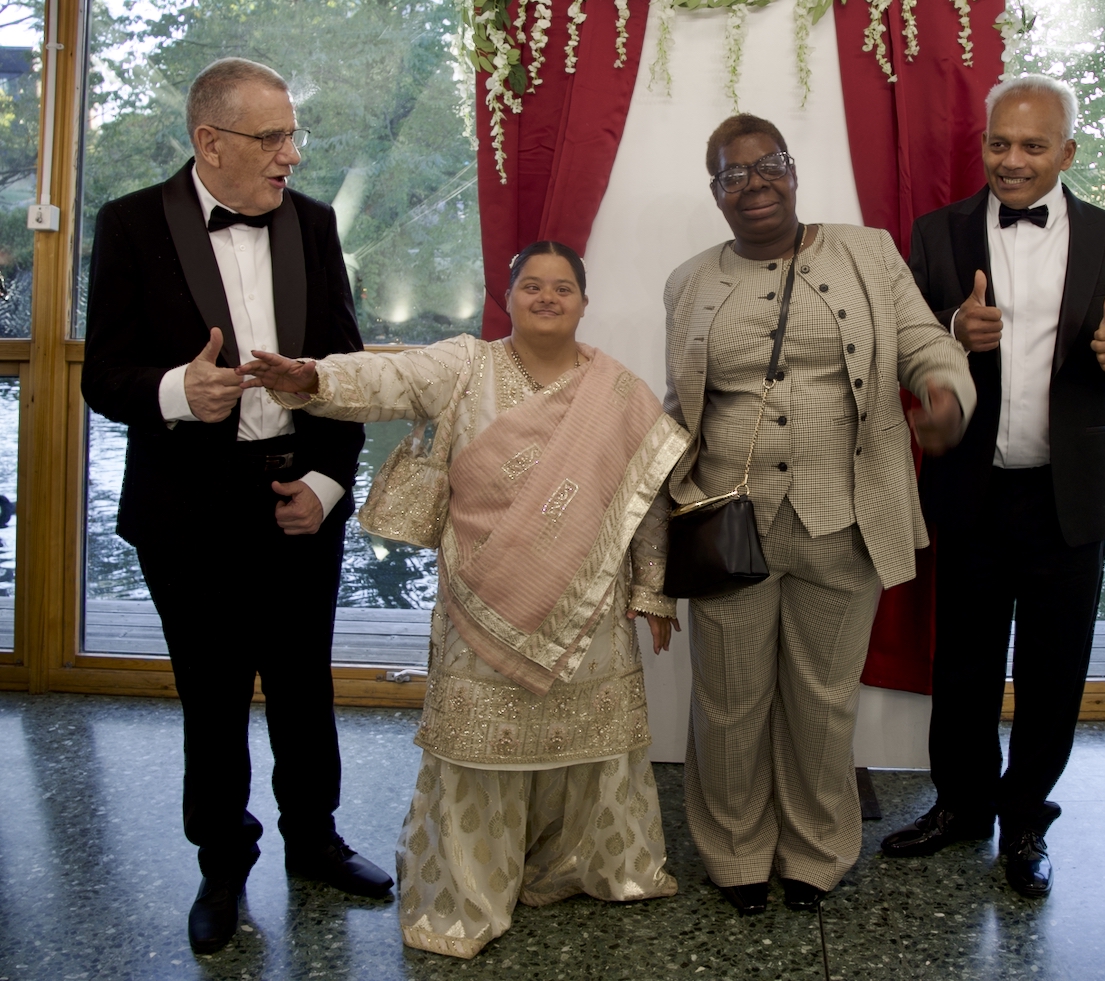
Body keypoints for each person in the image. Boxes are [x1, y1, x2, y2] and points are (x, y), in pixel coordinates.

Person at [238, 240, 690, 959]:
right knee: (477, 754)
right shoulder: (465, 366)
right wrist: (315, 376)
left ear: (584, 301)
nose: (547, 297)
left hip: (589, 603)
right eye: (532, 285)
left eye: (563, 287)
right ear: (508, 298)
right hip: (482, 598)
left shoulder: (617, 390)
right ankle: (468, 894)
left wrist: (652, 588)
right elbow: (389, 376)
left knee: (592, 747)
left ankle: (584, 862)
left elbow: (650, 496)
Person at [80, 58, 392, 955]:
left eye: (293, 135)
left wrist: (328, 486)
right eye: (272, 137)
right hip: (187, 511)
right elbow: (104, 375)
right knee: (210, 695)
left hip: (299, 497)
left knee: (304, 685)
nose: (291, 154)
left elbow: (343, 370)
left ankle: (316, 839)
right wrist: (178, 391)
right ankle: (222, 863)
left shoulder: (315, 223)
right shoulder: (131, 223)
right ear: (209, 141)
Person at [663, 114, 977, 916]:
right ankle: (735, 848)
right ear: (716, 193)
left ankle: (815, 848)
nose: (754, 184)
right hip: (729, 525)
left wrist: (946, 395)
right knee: (728, 700)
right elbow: (681, 405)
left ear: (793, 169)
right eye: (733, 174)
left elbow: (927, 345)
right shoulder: (689, 282)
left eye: (768, 165)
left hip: (845, 518)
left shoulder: (869, 254)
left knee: (824, 697)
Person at [880, 75, 1105, 898]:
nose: (1012, 160)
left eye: (1033, 146)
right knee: (964, 662)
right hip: (971, 484)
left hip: (1067, 495)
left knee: (1053, 669)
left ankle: (1026, 820)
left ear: (1066, 152)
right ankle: (962, 804)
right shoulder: (937, 233)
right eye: (1000, 143)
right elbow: (902, 337)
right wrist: (950, 329)